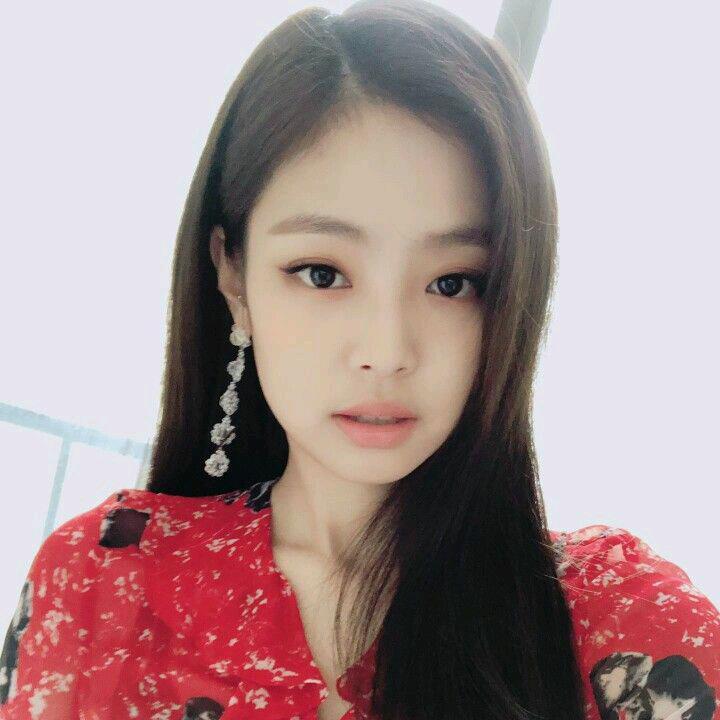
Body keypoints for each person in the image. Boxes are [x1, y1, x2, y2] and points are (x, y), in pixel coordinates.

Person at [1, 1, 718, 719]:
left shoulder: (620, 632)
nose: (386, 351)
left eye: (453, 283)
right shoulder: (100, 583)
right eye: (321, 273)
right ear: (233, 277)